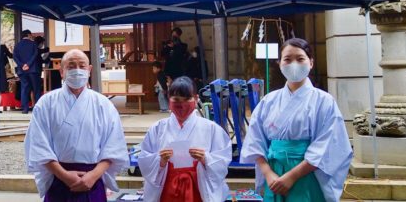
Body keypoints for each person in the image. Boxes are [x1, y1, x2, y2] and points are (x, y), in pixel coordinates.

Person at [240, 38, 353, 202]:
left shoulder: (324, 101)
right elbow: (255, 141)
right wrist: (268, 173)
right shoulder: (268, 101)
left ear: (311, 62)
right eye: (287, 59)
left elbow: (328, 146)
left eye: (300, 59)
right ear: (279, 63)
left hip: (307, 174)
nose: (294, 64)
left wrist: (292, 176)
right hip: (274, 175)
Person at [24, 49, 128, 202]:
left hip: (92, 179)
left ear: (90, 70)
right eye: (71, 66)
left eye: (82, 65)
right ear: (62, 71)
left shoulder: (103, 104)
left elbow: (114, 145)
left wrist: (93, 176)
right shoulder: (46, 104)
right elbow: (38, 145)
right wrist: (64, 175)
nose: (77, 70)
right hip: (59, 177)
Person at [139, 77, 232, 202]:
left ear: (196, 98)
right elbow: (145, 159)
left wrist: (206, 159)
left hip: (199, 186)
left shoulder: (211, 128)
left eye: (187, 99)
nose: (181, 104)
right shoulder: (157, 129)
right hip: (167, 186)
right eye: (176, 99)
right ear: (169, 98)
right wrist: (159, 161)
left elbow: (223, 160)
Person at [13, 30, 42, 114]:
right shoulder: (33, 44)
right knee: (36, 89)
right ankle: (37, 108)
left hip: (22, 71)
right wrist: (28, 64)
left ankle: (25, 109)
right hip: (33, 70)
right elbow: (35, 54)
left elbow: (15, 56)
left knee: (24, 89)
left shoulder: (17, 45)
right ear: (28, 35)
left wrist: (22, 65)